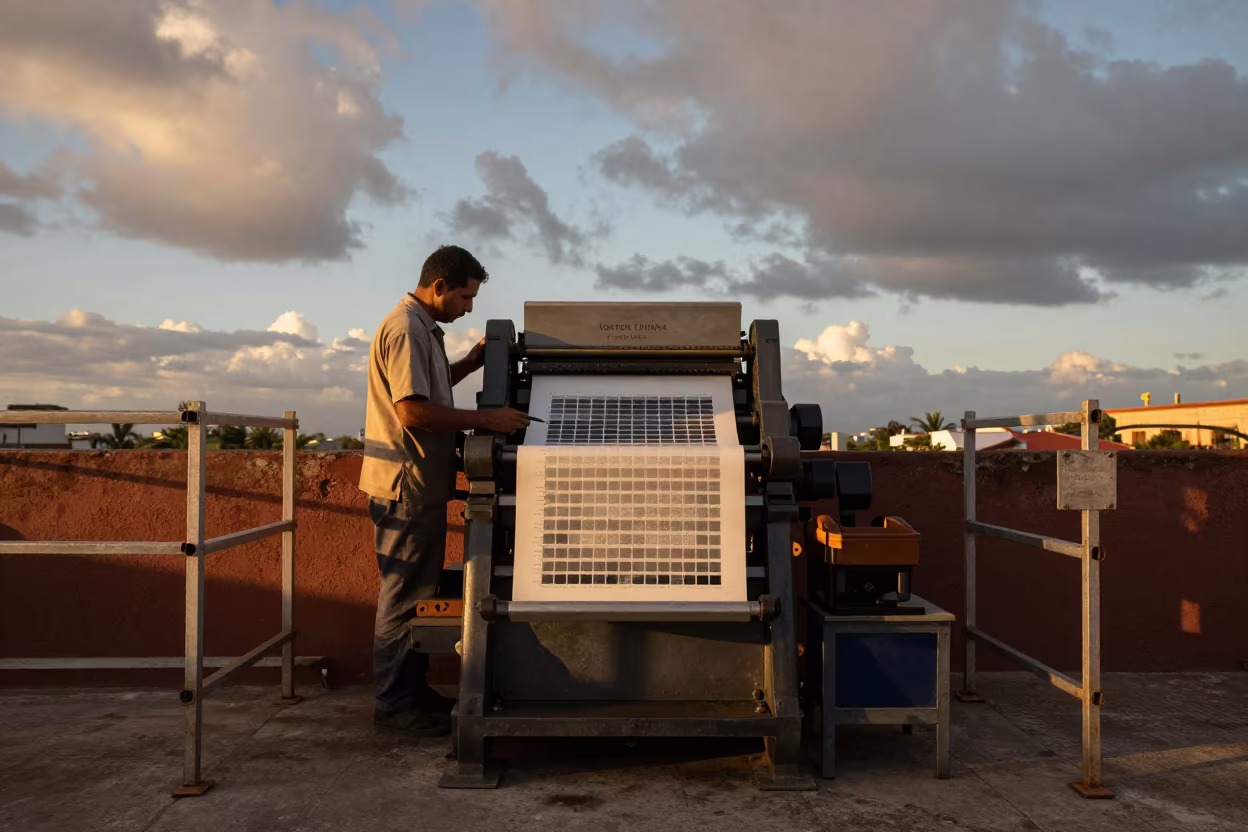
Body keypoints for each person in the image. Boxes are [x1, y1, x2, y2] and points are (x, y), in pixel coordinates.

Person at [359, 245, 530, 737]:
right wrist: (487, 419)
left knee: (416, 593)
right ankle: (394, 705)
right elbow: (412, 412)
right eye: (463, 296)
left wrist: (471, 363)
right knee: (403, 596)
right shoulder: (407, 330)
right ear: (438, 287)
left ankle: (410, 693)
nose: (468, 307)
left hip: (418, 485)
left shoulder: (423, 330)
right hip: (406, 486)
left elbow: (429, 392)